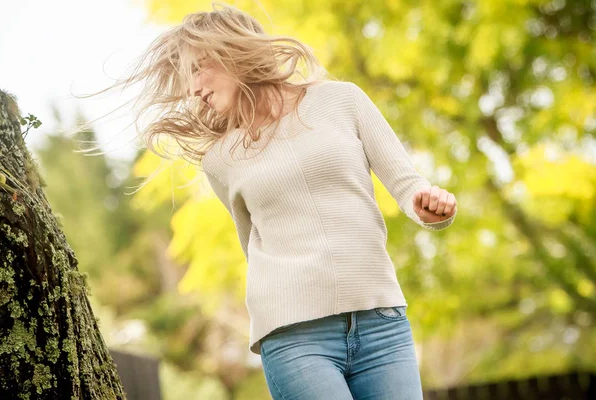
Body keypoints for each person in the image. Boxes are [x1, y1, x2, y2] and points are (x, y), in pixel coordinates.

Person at [113, 3, 458, 399]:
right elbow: (252, 245)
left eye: (196, 69)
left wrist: (430, 206)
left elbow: (409, 185)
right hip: (296, 339)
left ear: (231, 50)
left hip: (382, 322)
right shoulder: (220, 159)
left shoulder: (342, 100)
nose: (192, 89)